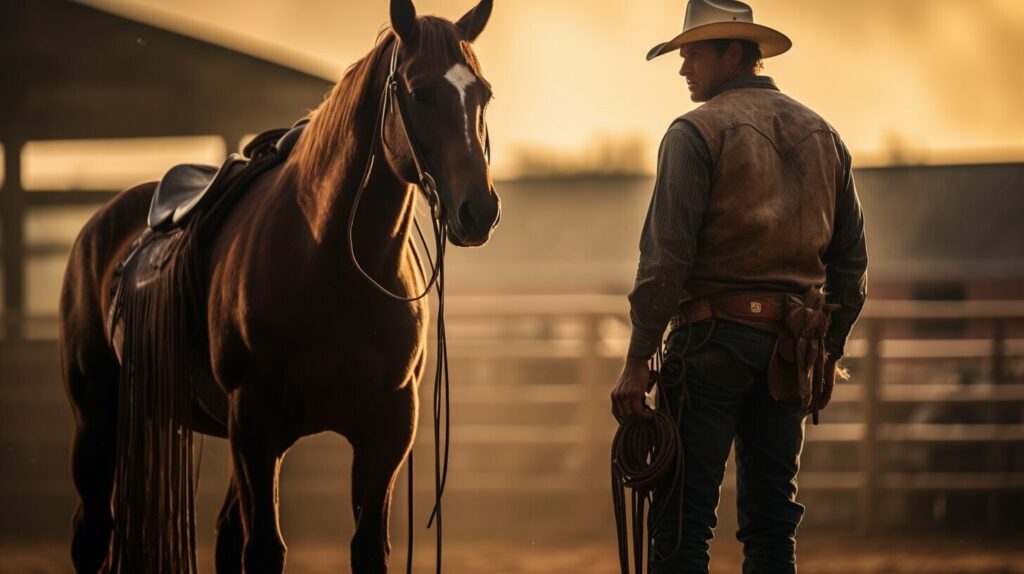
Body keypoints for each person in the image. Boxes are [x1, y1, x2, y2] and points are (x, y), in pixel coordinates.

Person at [609, 0, 868, 572]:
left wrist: (636, 358)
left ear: (734, 54)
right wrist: (824, 350)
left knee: (681, 523)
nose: (683, 70)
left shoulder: (693, 134)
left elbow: (664, 260)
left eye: (693, 55)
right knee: (773, 525)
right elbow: (852, 268)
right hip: (787, 354)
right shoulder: (825, 136)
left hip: (709, 346)